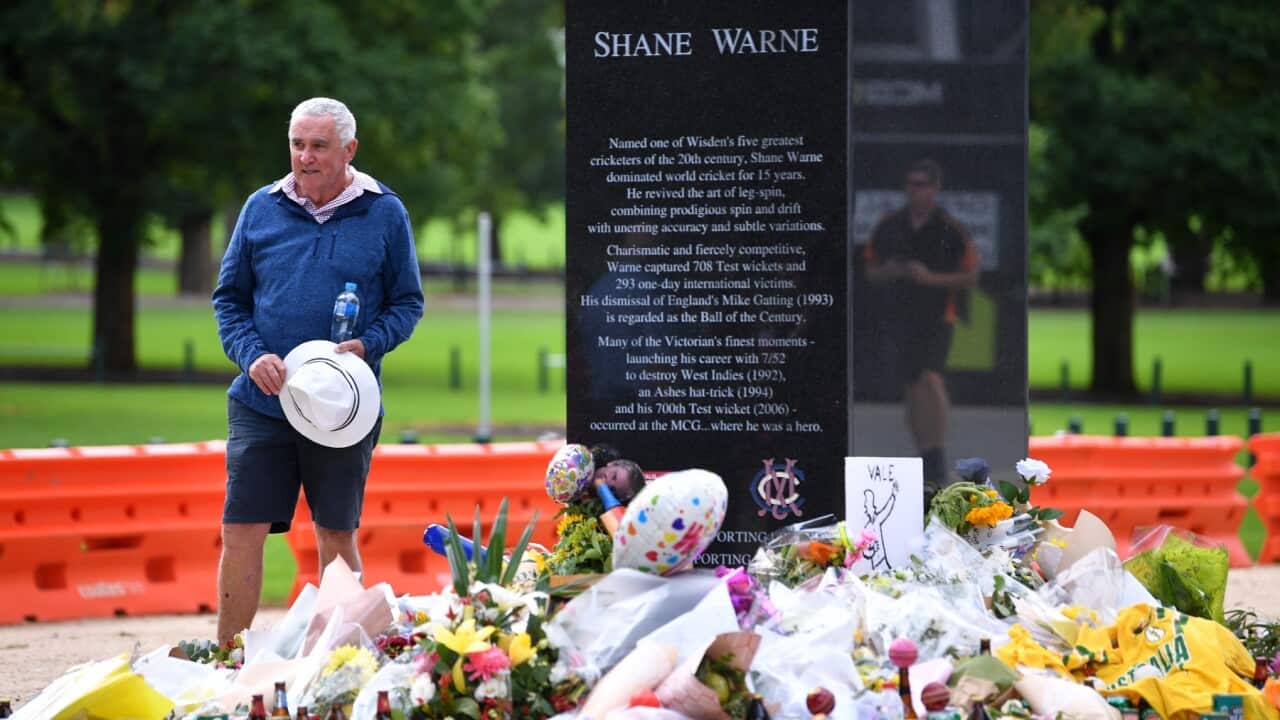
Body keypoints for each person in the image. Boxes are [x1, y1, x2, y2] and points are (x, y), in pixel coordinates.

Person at [212, 97, 424, 643]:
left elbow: (407, 303)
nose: (304, 157)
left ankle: (342, 656)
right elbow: (229, 300)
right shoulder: (260, 207)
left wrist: (371, 343)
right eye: (297, 144)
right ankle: (227, 657)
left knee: (334, 531)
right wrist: (250, 353)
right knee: (241, 529)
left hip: (341, 407)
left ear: (349, 150)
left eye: (318, 146)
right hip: (263, 400)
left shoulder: (384, 212)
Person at [864, 159, 978, 499]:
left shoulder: (950, 228)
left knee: (932, 377)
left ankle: (937, 451)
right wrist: (896, 270)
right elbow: (871, 270)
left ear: (935, 188)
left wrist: (931, 279)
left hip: (938, 316)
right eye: (911, 184)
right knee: (912, 385)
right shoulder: (889, 226)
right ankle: (925, 453)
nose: (917, 191)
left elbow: (971, 275)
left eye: (923, 184)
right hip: (901, 316)